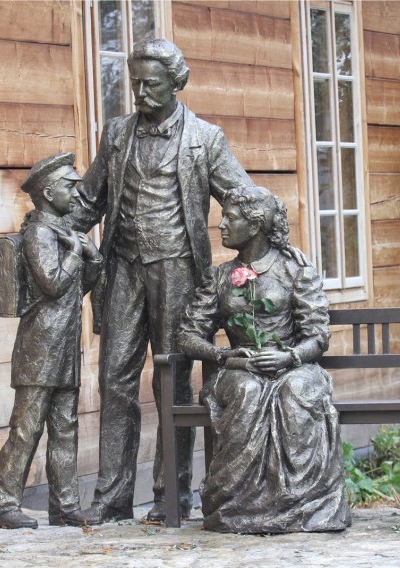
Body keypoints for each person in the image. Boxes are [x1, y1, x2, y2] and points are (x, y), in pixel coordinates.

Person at [72, 39, 252, 524]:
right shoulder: (116, 135)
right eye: (135, 84)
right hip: (123, 269)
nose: (140, 93)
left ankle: (171, 496)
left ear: (178, 83)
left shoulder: (205, 139)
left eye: (151, 84)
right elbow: (89, 201)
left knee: (171, 383)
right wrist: (48, 225)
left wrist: (268, 259)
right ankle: (111, 498)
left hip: (176, 270)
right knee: (114, 380)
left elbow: (245, 197)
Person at [176, 186, 352, 533]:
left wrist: (289, 357)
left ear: (254, 225)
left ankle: (303, 502)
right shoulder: (220, 277)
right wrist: (225, 355)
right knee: (247, 392)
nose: (222, 225)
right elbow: (187, 335)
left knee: (297, 391)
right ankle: (235, 505)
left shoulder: (295, 271)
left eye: (230, 217)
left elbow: (318, 335)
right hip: (239, 369)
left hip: (292, 366)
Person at [0, 153, 103, 529]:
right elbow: (52, 283)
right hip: (38, 349)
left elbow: (79, 287)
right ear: (49, 192)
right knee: (26, 429)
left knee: (65, 427)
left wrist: (93, 260)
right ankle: (3, 506)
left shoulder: (64, 233)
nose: (76, 190)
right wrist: (75, 252)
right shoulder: (39, 233)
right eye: (70, 185)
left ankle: (65, 505)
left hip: (64, 347)